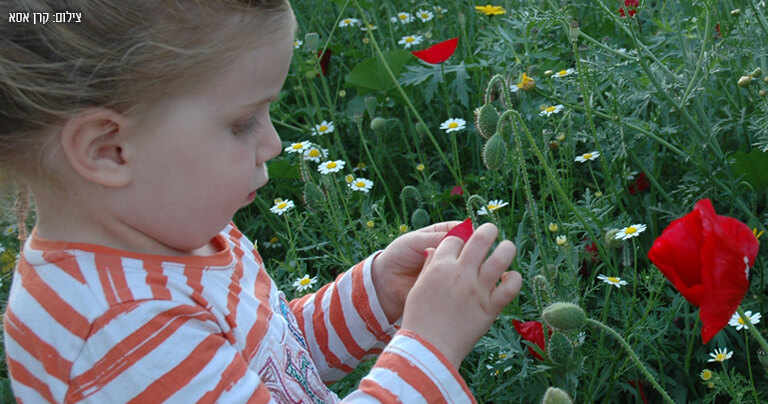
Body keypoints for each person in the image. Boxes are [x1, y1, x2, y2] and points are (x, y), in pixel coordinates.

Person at [0, 0, 522, 402]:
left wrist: (378, 290)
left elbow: (276, 361)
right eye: (242, 122)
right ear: (109, 150)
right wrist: (430, 346)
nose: (273, 143)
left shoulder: (177, 232)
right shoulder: (121, 327)